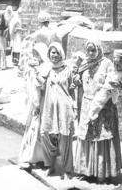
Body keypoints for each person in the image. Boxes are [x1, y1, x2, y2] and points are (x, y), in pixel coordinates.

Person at [75, 39, 122, 183]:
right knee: (88, 136)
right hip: (87, 104)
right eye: (88, 50)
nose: (90, 53)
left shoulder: (107, 64)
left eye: (93, 50)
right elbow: (81, 84)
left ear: (99, 49)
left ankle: (102, 173)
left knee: (102, 138)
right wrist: (77, 81)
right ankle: (88, 171)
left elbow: (111, 84)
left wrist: (100, 101)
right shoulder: (83, 64)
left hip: (103, 107)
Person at [40, 42, 75, 179]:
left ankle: (67, 169)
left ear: (62, 53)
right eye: (52, 52)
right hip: (49, 109)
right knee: (45, 134)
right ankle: (50, 164)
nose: (54, 55)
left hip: (64, 109)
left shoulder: (68, 69)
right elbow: (39, 88)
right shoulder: (46, 69)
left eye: (57, 52)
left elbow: (73, 90)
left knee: (65, 138)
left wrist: (75, 108)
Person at [18, 43, 50, 169]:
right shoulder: (33, 68)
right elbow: (30, 88)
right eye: (34, 53)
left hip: (44, 101)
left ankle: (43, 157)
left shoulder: (46, 67)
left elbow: (42, 87)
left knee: (42, 129)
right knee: (34, 128)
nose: (35, 56)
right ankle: (32, 156)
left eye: (37, 54)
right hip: (36, 102)